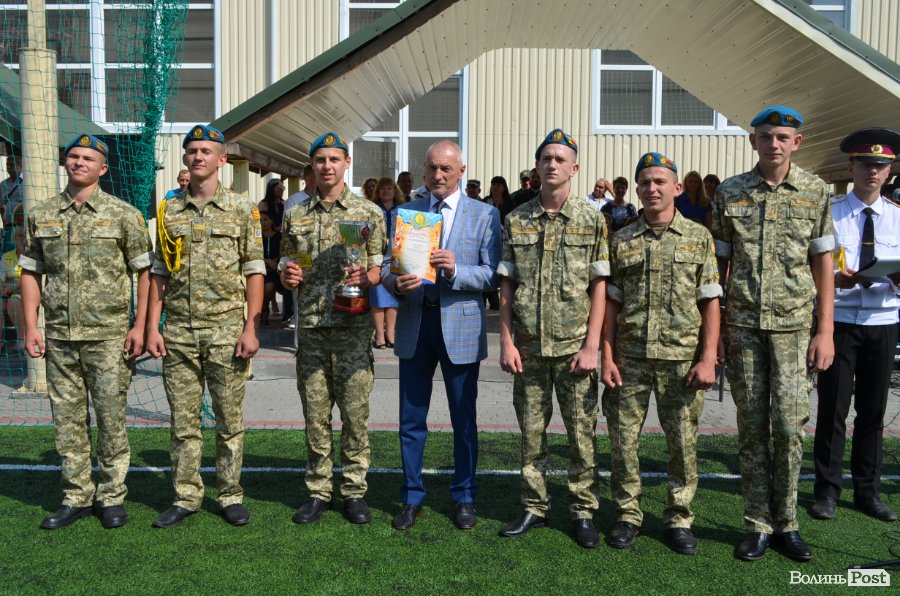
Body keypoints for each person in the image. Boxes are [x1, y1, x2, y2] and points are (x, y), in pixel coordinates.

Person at [712, 105, 835, 562]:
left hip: (794, 329)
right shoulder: (731, 192)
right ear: (753, 141)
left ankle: (787, 522)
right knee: (751, 429)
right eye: (766, 136)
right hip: (743, 327)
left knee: (788, 427)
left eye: (783, 137)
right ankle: (758, 524)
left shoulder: (815, 191)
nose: (774, 144)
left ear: (796, 142)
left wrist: (826, 330)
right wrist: (716, 331)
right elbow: (719, 267)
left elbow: (823, 263)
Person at [19, 134, 152, 530]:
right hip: (60, 336)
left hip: (109, 336)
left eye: (88, 158)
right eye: (73, 156)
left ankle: (111, 496)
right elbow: (31, 272)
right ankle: (76, 496)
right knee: (67, 421)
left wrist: (140, 326)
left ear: (103, 168)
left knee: (111, 419)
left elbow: (145, 273)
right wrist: (32, 326)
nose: (79, 162)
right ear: (66, 163)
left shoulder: (124, 215)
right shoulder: (42, 214)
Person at [601, 152, 721, 555]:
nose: (652, 188)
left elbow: (710, 301)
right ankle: (627, 514)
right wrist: (606, 355)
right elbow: (612, 303)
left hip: (681, 358)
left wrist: (708, 357)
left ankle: (679, 518)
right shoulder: (622, 240)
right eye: (645, 182)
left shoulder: (698, 238)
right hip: (629, 357)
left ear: (677, 187)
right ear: (636, 188)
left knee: (683, 444)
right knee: (623, 441)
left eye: (660, 181)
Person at [146, 124, 264, 528]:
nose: (198, 156)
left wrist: (251, 327)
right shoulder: (169, 211)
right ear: (185, 158)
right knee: (183, 423)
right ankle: (186, 496)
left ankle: (230, 494)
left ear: (221, 160)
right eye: (192, 150)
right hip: (178, 332)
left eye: (206, 151)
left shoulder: (242, 209)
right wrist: (153, 327)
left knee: (229, 421)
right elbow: (159, 273)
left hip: (226, 331)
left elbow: (254, 270)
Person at [382, 140, 501, 531]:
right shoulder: (405, 214)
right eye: (432, 167)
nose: (437, 175)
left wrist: (457, 269)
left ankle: (464, 496)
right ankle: (411, 496)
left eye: (446, 168)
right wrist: (396, 283)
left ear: (461, 171)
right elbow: (385, 267)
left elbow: (493, 274)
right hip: (416, 322)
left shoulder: (485, 215)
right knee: (411, 419)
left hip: (460, 325)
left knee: (463, 420)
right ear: (424, 170)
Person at [497, 129, 607, 549]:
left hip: (575, 348)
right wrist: (506, 341)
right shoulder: (516, 219)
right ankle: (534, 506)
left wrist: (592, 345)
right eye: (546, 158)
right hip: (528, 347)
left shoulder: (591, 220)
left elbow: (599, 286)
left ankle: (583, 511)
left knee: (582, 436)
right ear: (537, 167)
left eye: (560, 159)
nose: (552, 164)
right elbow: (506, 285)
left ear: (574, 168)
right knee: (531, 435)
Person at [279, 132, 386, 526]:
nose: (327, 166)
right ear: (313, 165)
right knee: (315, 416)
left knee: (355, 416)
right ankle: (318, 491)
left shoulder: (368, 212)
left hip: (353, 329)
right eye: (320, 160)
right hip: (311, 329)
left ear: (346, 163)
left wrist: (368, 277)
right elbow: (287, 260)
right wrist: (286, 275)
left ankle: (354, 492)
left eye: (334, 159)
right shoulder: (295, 213)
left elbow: (380, 265)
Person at [811, 128, 900, 523]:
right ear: (851, 167)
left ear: (889, 171)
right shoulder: (829, 214)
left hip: (883, 319)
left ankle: (868, 490)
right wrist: (833, 280)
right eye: (865, 164)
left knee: (873, 409)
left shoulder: (898, 217)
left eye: (880, 166)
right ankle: (827, 491)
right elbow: (811, 268)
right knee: (833, 408)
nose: (872, 172)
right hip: (841, 320)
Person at [370, 176, 404, 348]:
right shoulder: (372, 208)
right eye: (382, 188)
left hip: (396, 256)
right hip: (377, 255)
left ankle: (390, 333)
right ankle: (379, 334)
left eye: (389, 188)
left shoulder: (402, 209)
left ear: (395, 191)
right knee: (377, 294)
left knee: (392, 295)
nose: (386, 191)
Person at [260, 210, 292, 325]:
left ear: (271, 221)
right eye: (260, 220)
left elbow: (283, 252)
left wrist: (276, 260)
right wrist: (267, 261)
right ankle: (263, 309)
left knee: (270, 286)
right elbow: (254, 253)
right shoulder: (257, 236)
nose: (262, 223)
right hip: (261, 268)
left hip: (275, 270)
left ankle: (264, 307)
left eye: (265, 220)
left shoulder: (278, 236)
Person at [1, 154, 23, 252]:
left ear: (20, 166)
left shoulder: (26, 183)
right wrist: (4, 223)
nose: (9, 167)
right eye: (7, 165)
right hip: (8, 227)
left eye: (11, 165)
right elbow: (1, 206)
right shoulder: (3, 185)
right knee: (8, 255)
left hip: (21, 227)